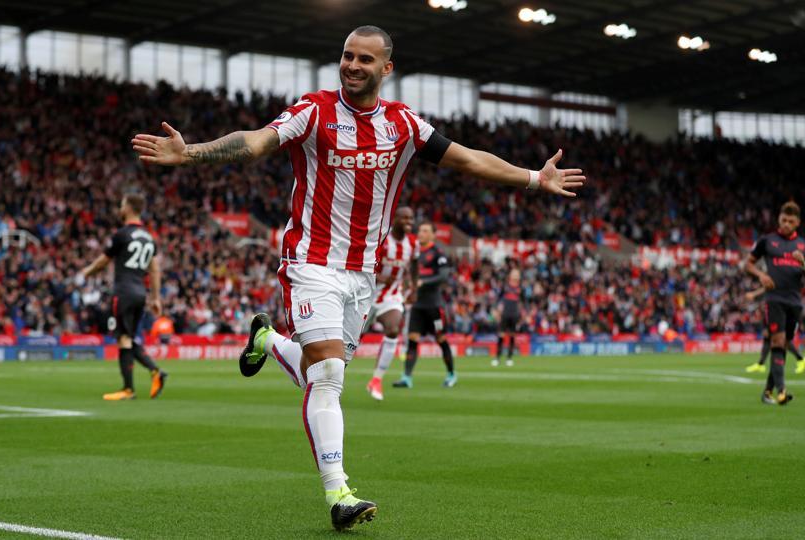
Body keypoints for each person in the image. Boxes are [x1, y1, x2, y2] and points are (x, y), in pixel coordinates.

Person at [131, 25, 584, 530]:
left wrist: (533, 178)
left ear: (386, 68)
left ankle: (267, 339)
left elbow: (467, 158)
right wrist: (190, 152)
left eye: (365, 59)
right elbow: (256, 143)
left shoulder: (404, 124)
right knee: (328, 373)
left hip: (363, 274)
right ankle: (338, 493)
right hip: (310, 262)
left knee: (320, 372)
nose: (352, 65)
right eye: (347, 55)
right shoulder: (314, 110)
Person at [77, 194, 168, 401]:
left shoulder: (122, 234)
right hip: (140, 293)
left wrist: (86, 272)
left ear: (128, 208)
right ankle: (154, 372)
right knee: (128, 338)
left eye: (121, 205)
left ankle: (130, 388)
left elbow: (103, 261)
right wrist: (155, 298)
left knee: (123, 339)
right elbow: (155, 270)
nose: (120, 208)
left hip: (124, 292)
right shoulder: (148, 237)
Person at [745, 201, 805, 405]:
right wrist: (761, 275)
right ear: (778, 219)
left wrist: (803, 264)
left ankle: (767, 392)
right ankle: (782, 391)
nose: (786, 224)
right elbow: (748, 264)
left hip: (795, 302)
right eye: (783, 220)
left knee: (783, 345)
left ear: (797, 223)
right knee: (777, 341)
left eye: (790, 221)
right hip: (774, 299)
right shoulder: (767, 241)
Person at [392, 221, 455, 388]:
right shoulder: (414, 252)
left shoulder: (438, 253)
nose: (421, 233)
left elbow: (443, 276)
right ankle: (406, 377)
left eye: (426, 231)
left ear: (433, 234)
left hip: (435, 306)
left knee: (441, 339)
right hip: (418, 305)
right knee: (412, 339)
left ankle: (451, 374)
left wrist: (423, 282)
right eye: (420, 230)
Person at [364, 206, 416, 401]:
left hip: (391, 296)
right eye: (404, 218)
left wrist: (413, 288)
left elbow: (415, 264)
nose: (409, 222)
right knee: (350, 340)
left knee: (393, 330)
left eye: (411, 218)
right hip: (365, 294)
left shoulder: (412, 243)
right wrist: (378, 277)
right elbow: (363, 260)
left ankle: (376, 380)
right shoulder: (382, 239)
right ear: (395, 219)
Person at [743, 287, 805, 375]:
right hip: (776, 309)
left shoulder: (782, 287)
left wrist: (754, 294)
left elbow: (769, 285)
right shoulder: (773, 293)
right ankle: (761, 364)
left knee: (783, 340)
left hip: (785, 310)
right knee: (768, 337)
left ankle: (800, 359)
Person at [493, 267, 522, 367]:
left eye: (517, 274)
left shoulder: (520, 289)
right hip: (504, 314)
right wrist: (496, 310)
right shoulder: (505, 287)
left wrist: (524, 314)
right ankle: (497, 358)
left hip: (514, 315)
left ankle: (509, 358)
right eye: (514, 274)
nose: (516, 276)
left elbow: (524, 302)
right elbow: (498, 299)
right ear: (510, 275)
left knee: (512, 336)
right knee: (501, 336)